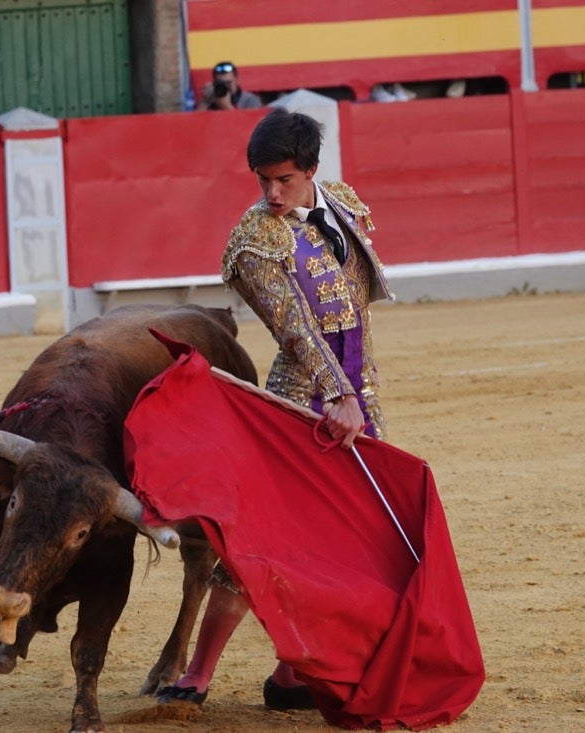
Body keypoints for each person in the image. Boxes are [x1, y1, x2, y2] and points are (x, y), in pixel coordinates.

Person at [157, 108, 392, 710]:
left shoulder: (341, 203)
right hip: (299, 405)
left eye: (283, 179)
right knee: (261, 540)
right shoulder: (256, 237)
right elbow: (294, 330)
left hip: (360, 402)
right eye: (262, 180)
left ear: (312, 170)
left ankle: (292, 675)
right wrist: (338, 395)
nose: (271, 193)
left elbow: (355, 307)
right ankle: (198, 674)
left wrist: (355, 397)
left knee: (341, 543)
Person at [197, 61, 263, 111]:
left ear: (237, 80)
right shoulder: (212, 99)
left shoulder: (250, 100)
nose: (225, 86)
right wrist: (205, 101)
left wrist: (226, 106)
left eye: (228, 83)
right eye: (220, 83)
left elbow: (250, 125)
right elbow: (196, 122)